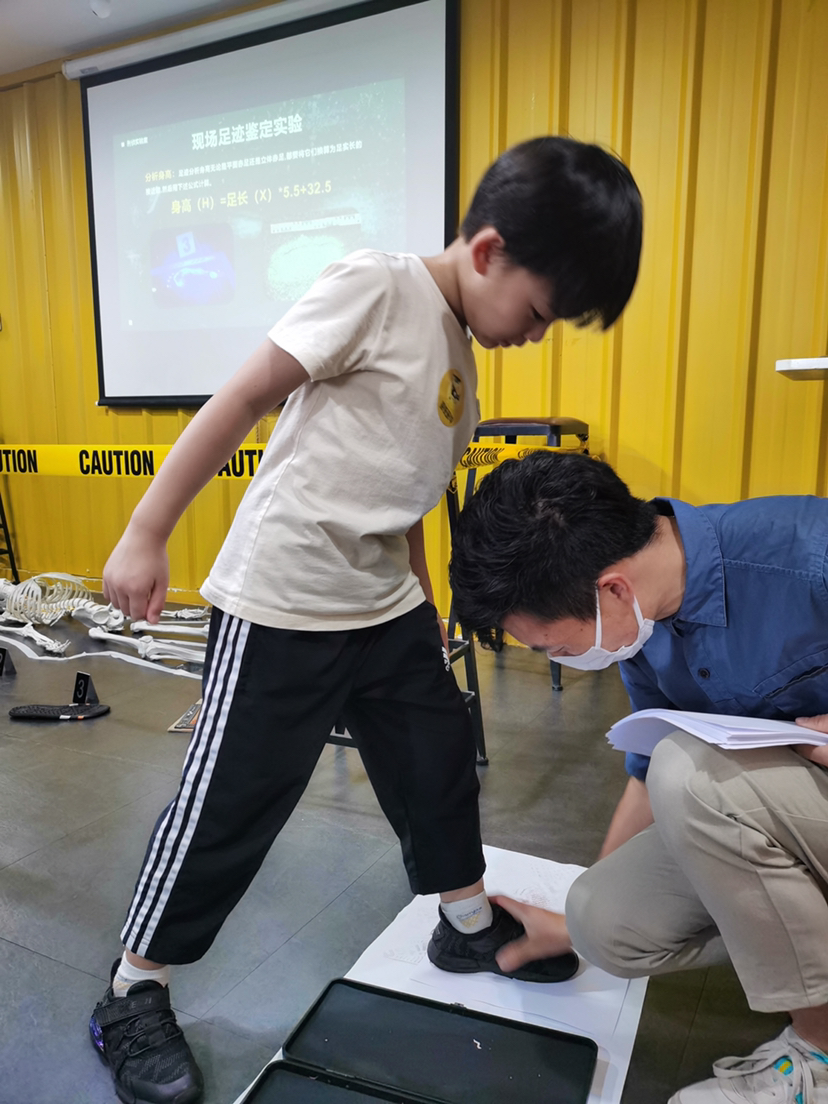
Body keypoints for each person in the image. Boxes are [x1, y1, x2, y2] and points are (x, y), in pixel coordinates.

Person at [91, 138, 643, 1104]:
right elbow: (245, 395)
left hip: (383, 606)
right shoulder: (377, 286)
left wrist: (423, 602)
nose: (536, 335)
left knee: (436, 759)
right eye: (539, 313)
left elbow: (407, 492)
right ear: (488, 252)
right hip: (285, 599)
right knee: (232, 801)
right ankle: (133, 990)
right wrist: (147, 531)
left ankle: (464, 922)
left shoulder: (462, 357)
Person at [448, 449, 828, 1104]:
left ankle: (819, 1054)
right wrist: (573, 910)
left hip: (778, 805)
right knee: (603, 920)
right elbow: (647, 767)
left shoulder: (805, 556)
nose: (561, 657)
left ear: (614, 590)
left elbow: (680, 778)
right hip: (779, 814)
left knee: (693, 777)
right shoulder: (642, 623)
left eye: (555, 647)